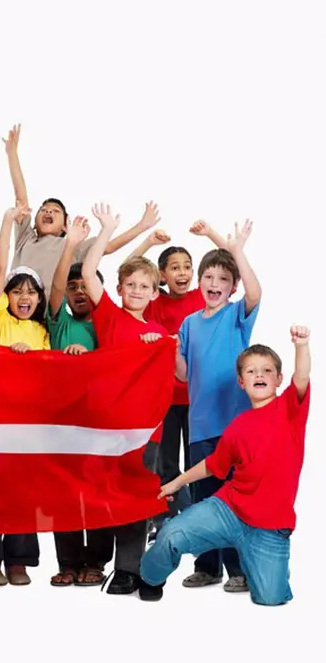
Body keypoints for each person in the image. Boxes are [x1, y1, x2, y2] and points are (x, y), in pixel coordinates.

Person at [141, 326, 311, 605]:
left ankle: (265, 565)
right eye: (251, 371)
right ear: (241, 382)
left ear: (279, 379)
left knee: (270, 598)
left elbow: (302, 377)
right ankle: (148, 577)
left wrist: (301, 346)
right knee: (171, 535)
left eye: (267, 370)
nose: (259, 375)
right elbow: (212, 465)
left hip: (269, 528)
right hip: (228, 510)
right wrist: (177, 481)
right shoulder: (237, 427)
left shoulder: (290, 408)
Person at [81, 202, 169, 601]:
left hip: (144, 431)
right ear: (120, 290)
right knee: (101, 494)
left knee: (134, 497)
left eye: (144, 287)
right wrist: (108, 229)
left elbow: (172, 378)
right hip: (104, 425)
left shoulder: (159, 332)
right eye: (129, 285)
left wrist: (159, 348)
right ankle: (94, 561)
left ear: (154, 293)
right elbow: (87, 271)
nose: (136, 291)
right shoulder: (110, 318)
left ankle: (128, 569)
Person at [175, 219, 261, 593]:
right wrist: (162, 351)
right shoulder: (190, 323)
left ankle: (240, 569)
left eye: (222, 279)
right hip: (200, 426)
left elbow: (257, 292)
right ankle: (206, 566)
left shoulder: (237, 316)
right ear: (200, 283)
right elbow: (182, 372)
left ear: (233, 286)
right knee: (203, 501)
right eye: (208, 277)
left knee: (234, 498)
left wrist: (236, 250)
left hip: (235, 425)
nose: (214, 284)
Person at [0, 203, 50, 586]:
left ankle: (18, 560)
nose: (24, 297)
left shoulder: (42, 333)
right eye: (17, 291)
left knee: (22, 492)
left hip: (29, 421)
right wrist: (5, 222)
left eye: (31, 293)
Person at [131, 220, 226, 539]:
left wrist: (211, 234)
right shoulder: (154, 304)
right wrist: (147, 242)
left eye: (187, 266)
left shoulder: (204, 297)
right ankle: (168, 516)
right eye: (174, 267)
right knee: (166, 461)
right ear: (161, 275)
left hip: (201, 398)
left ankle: (202, 514)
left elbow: (229, 264)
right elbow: (131, 272)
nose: (182, 272)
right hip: (166, 397)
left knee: (201, 461)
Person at [1, 123, 160, 296]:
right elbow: (21, 198)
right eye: (43, 210)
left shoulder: (72, 246)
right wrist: (12, 154)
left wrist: (142, 225)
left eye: (55, 211)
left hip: (47, 312)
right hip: (14, 310)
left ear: (65, 225)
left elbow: (109, 246)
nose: (48, 212)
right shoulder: (26, 238)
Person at [46, 214, 113, 586]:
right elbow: (55, 288)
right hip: (60, 420)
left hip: (100, 420)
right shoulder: (60, 322)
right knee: (64, 493)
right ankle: (68, 561)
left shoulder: (109, 323)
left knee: (98, 492)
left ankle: (97, 561)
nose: (78, 291)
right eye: (72, 287)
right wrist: (70, 243)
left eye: (84, 284)